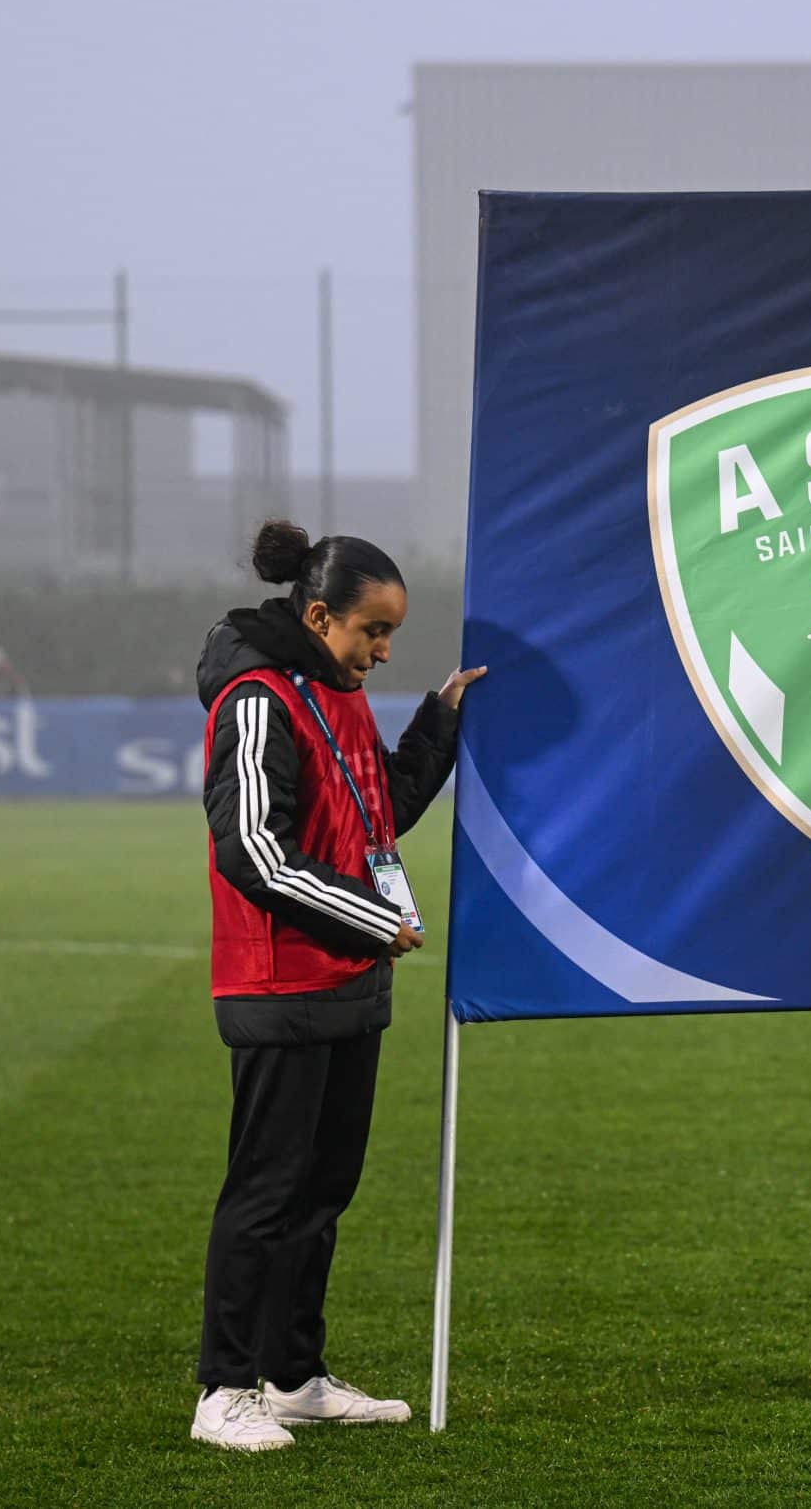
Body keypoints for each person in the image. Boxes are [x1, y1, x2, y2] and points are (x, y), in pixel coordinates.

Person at [189, 519, 486, 1453]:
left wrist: (435, 721)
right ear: (319, 615)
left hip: (352, 982)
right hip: (278, 983)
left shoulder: (339, 691)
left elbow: (377, 817)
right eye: (372, 632)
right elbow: (255, 852)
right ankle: (223, 1391)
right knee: (264, 1194)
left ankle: (293, 1377)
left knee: (324, 1192)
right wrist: (372, 920)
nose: (383, 650)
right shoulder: (254, 697)